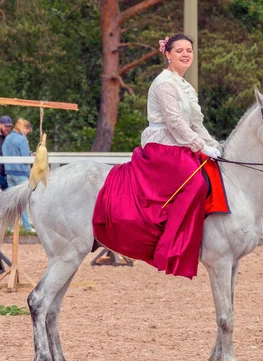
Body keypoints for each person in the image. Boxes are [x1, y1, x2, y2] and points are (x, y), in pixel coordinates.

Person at [93, 33, 221, 279]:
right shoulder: (164, 83)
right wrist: (200, 146)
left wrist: (212, 143)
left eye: (189, 50)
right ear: (167, 54)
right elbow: (173, 122)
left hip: (181, 144)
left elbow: (195, 123)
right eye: (179, 50)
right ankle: (171, 246)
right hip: (163, 146)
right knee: (194, 183)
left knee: (214, 173)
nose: (185, 54)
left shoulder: (185, 86)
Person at [2, 118, 35, 232]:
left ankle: (11, 226)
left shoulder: (7, 138)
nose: (27, 133)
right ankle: (26, 226)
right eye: (27, 130)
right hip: (20, 173)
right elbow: (25, 158)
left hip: (9, 172)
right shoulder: (22, 140)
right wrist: (32, 156)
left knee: (13, 200)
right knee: (23, 200)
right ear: (24, 128)